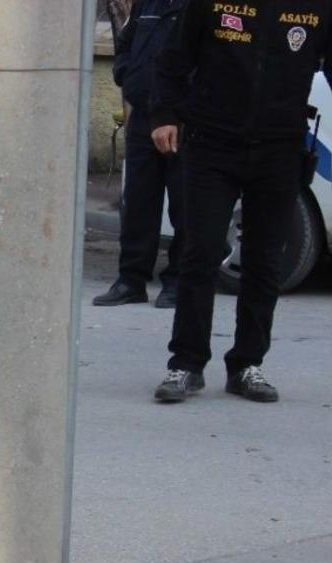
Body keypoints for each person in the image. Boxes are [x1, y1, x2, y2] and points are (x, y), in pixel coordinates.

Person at [150, 0, 332, 403]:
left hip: (280, 148)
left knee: (265, 260)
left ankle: (247, 365)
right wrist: (163, 114)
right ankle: (186, 363)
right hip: (211, 144)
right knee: (200, 254)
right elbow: (173, 60)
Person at [94, 0, 186, 309]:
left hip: (184, 118)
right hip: (144, 115)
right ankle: (131, 281)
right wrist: (125, 71)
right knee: (138, 204)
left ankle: (178, 282)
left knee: (185, 206)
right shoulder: (150, 3)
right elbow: (126, 41)